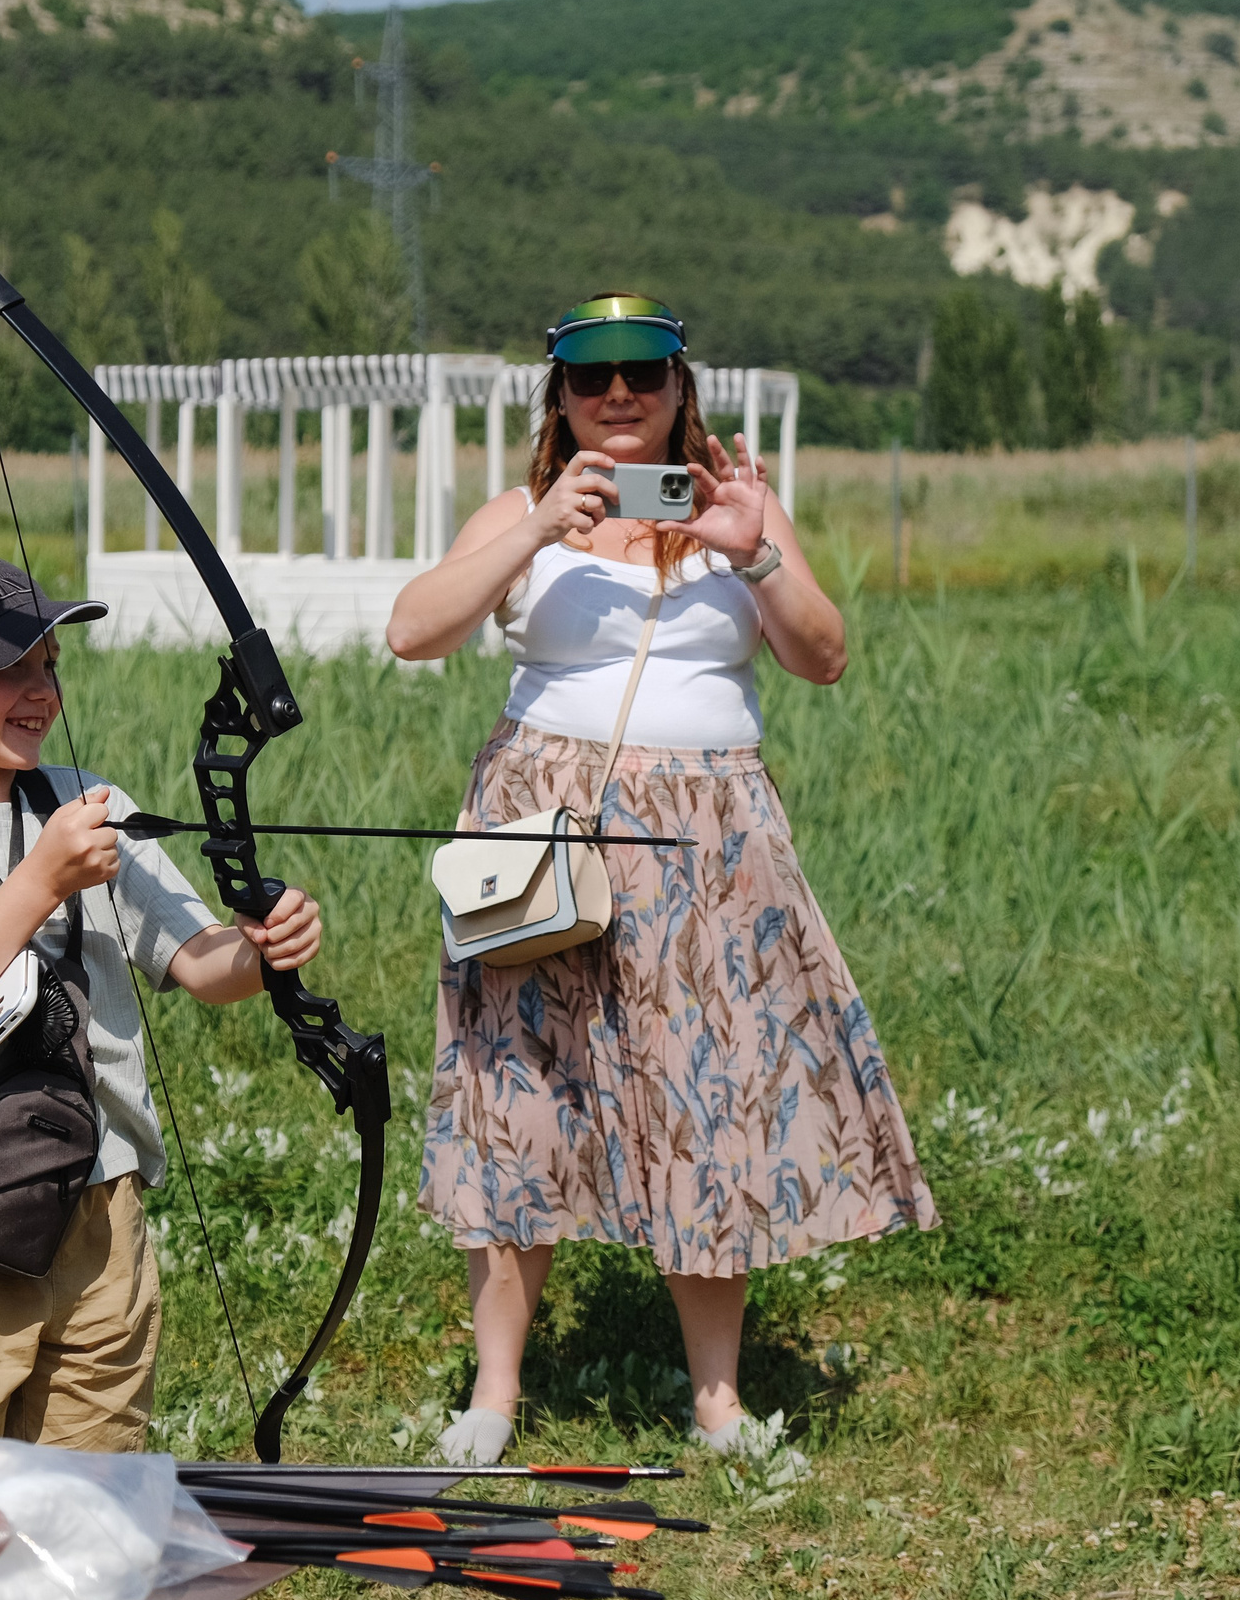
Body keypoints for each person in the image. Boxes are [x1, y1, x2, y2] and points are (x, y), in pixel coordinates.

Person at [387, 294, 939, 1464]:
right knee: (514, 1093)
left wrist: (758, 551)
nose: (620, 395)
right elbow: (411, 631)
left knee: (710, 1097)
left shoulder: (735, 509)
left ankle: (717, 1402)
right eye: (594, 381)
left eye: (645, 372)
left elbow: (823, 657)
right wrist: (538, 528)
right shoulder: (519, 514)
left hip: (705, 840)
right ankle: (493, 1396)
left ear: (683, 388)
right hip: (541, 829)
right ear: (561, 399)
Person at [0, 551, 323, 1452]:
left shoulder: (93, 809)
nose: (41, 687)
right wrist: (41, 878)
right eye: (8, 665)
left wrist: (262, 946)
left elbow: (202, 966)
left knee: (84, 1504)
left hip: (99, 1201)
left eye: (49, 662)